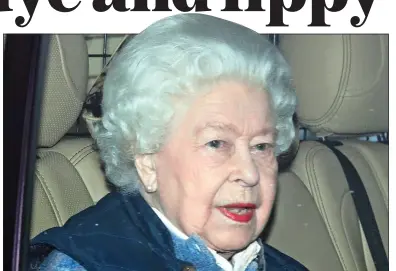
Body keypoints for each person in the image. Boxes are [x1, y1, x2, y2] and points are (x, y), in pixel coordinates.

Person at [30, 13, 307, 271]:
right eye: (217, 143)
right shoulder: (85, 265)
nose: (249, 173)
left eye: (261, 146)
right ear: (147, 161)